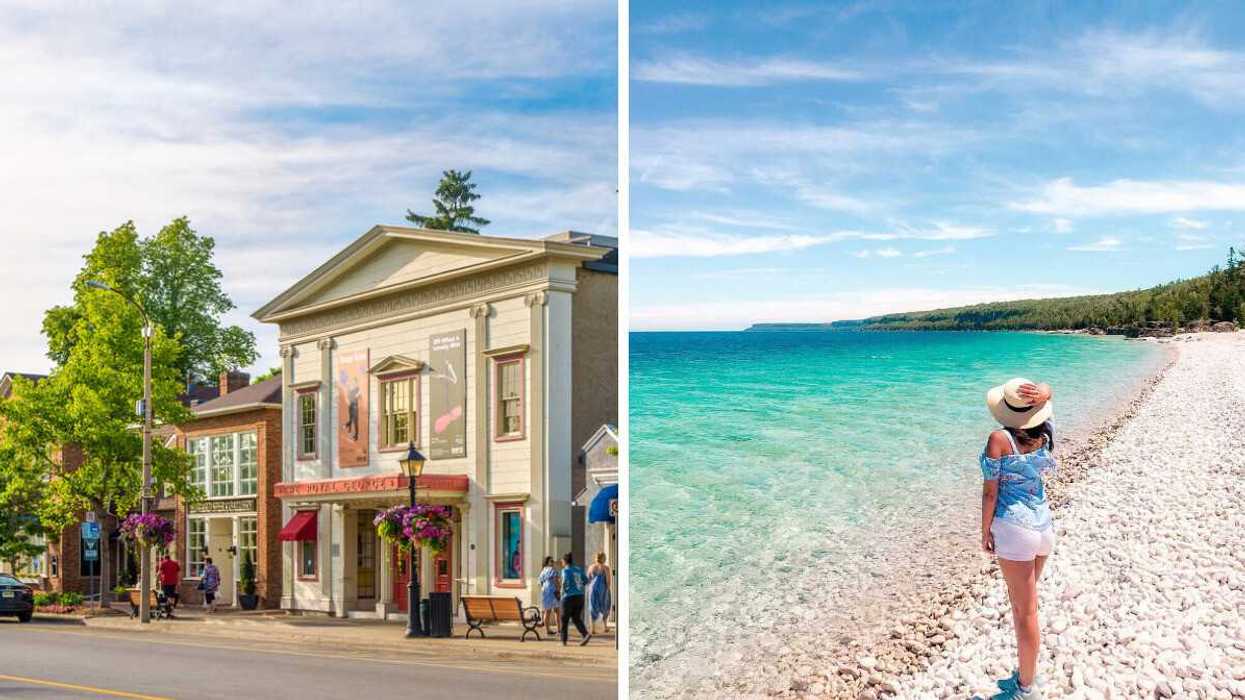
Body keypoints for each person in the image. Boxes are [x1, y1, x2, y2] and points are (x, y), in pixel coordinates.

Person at [980, 378, 1056, 699]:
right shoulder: (1046, 432)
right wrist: (1044, 394)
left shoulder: (999, 439)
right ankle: (1026, 673)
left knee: (1024, 614)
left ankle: (1026, 688)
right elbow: (1049, 388)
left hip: (1014, 530)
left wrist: (984, 530)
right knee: (1026, 607)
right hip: (1042, 528)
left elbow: (990, 491)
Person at [558, 552, 590, 646]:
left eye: (562, 561)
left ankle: (563, 641)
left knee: (564, 618)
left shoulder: (565, 570)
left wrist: (561, 593)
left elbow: (564, 583)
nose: (562, 563)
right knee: (576, 618)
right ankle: (585, 634)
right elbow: (586, 580)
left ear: (565, 561)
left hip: (568, 597)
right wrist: (578, 587)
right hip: (580, 596)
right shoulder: (578, 569)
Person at [586, 552, 612, 634]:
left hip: (592, 589)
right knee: (606, 606)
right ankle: (605, 626)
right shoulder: (605, 568)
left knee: (593, 606)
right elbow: (608, 581)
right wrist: (608, 589)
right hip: (602, 589)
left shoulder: (591, 567)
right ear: (604, 558)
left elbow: (588, 579)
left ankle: (593, 628)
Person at [538, 556, 561, 635]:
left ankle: (547, 630)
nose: (553, 562)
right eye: (551, 561)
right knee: (557, 611)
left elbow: (540, 582)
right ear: (547, 562)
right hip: (553, 591)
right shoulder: (553, 570)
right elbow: (556, 581)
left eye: (553, 561)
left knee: (547, 611)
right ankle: (559, 629)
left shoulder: (543, 571)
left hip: (545, 591)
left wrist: (544, 589)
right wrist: (559, 589)